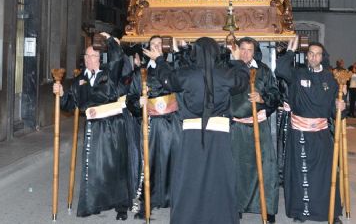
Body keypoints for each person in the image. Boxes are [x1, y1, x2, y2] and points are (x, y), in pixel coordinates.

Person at [148, 37, 248, 224]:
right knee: (220, 177)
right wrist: (237, 61)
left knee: (190, 178)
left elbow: (168, 81)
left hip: (192, 136)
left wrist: (160, 59)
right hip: (220, 135)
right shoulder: (225, 74)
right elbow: (243, 82)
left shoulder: (187, 74)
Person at [54, 32, 131, 220]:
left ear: (100, 58)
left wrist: (111, 41)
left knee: (116, 166)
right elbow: (70, 105)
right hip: (94, 129)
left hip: (113, 126)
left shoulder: (109, 74)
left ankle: (121, 206)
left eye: (94, 55)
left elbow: (118, 59)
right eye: (87, 56)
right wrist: (62, 93)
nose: (89, 59)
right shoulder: (78, 80)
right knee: (94, 168)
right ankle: (94, 203)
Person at [275, 35, 344, 224]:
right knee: (300, 174)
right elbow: (280, 70)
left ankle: (331, 212)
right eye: (311, 54)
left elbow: (333, 111)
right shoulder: (298, 74)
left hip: (321, 134)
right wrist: (290, 50)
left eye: (317, 54)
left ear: (323, 57)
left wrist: (340, 107)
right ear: (307, 57)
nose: (313, 57)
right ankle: (300, 213)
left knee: (326, 174)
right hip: (299, 134)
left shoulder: (331, 79)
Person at [126, 35, 181, 217]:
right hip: (151, 123)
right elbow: (130, 99)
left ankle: (178, 201)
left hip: (173, 122)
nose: (156, 48)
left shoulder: (173, 69)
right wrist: (138, 103)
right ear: (146, 50)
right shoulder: (140, 73)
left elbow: (182, 88)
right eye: (152, 45)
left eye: (159, 45)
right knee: (150, 162)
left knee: (176, 161)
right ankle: (148, 202)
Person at [230, 37, 280, 223]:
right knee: (237, 168)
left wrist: (262, 98)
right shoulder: (230, 69)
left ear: (255, 51)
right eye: (242, 49)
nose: (245, 53)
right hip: (237, 128)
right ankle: (237, 207)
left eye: (249, 50)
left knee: (266, 168)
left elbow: (276, 95)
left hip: (259, 126)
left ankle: (267, 209)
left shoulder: (264, 71)